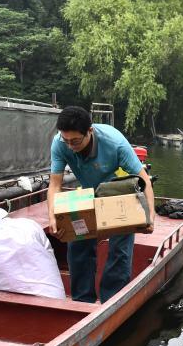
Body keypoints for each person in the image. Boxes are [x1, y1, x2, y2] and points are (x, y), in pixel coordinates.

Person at [47, 106, 155, 303]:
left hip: (117, 192)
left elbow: (145, 180)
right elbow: (55, 185)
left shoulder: (115, 143)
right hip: (89, 192)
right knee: (77, 240)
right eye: (66, 140)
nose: (70, 146)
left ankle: (112, 300)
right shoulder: (60, 143)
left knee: (120, 248)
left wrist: (150, 218)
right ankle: (82, 300)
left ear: (90, 131)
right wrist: (53, 216)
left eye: (75, 141)